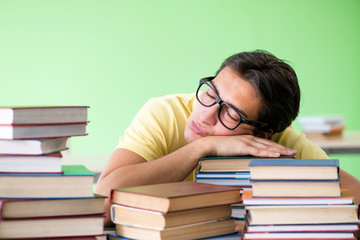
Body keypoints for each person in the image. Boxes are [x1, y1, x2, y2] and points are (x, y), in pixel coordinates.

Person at [95, 50, 360, 226]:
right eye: (211, 94)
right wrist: (204, 146)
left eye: (231, 114)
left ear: (263, 133)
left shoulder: (279, 143)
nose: (206, 115)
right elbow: (103, 204)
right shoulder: (165, 112)